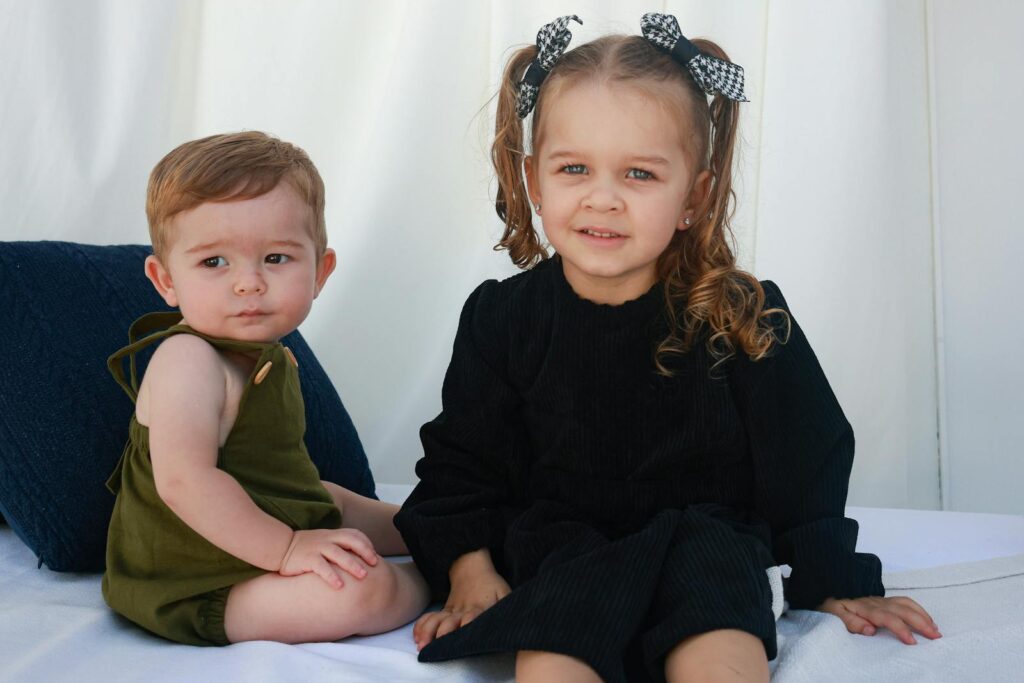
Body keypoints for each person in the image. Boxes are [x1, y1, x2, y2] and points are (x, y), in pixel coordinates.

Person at [395, 14, 940, 683]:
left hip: (707, 544)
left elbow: (806, 460)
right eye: (574, 168)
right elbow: (464, 464)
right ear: (535, 180)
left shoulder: (742, 314)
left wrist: (831, 579)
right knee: (552, 664)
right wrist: (470, 568)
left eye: (639, 175)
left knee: (721, 659)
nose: (604, 198)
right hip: (566, 551)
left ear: (696, 195)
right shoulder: (503, 318)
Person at [102, 131, 428, 646]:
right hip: (196, 578)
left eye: (276, 258)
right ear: (165, 281)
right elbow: (185, 483)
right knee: (355, 590)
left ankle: (442, 535)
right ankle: (431, 577)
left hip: (264, 520)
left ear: (320, 272)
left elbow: (284, 482)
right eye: (214, 262)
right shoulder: (187, 361)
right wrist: (287, 549)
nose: (248, 283)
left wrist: (308, 529)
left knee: (342, 503)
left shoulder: (273, 359)